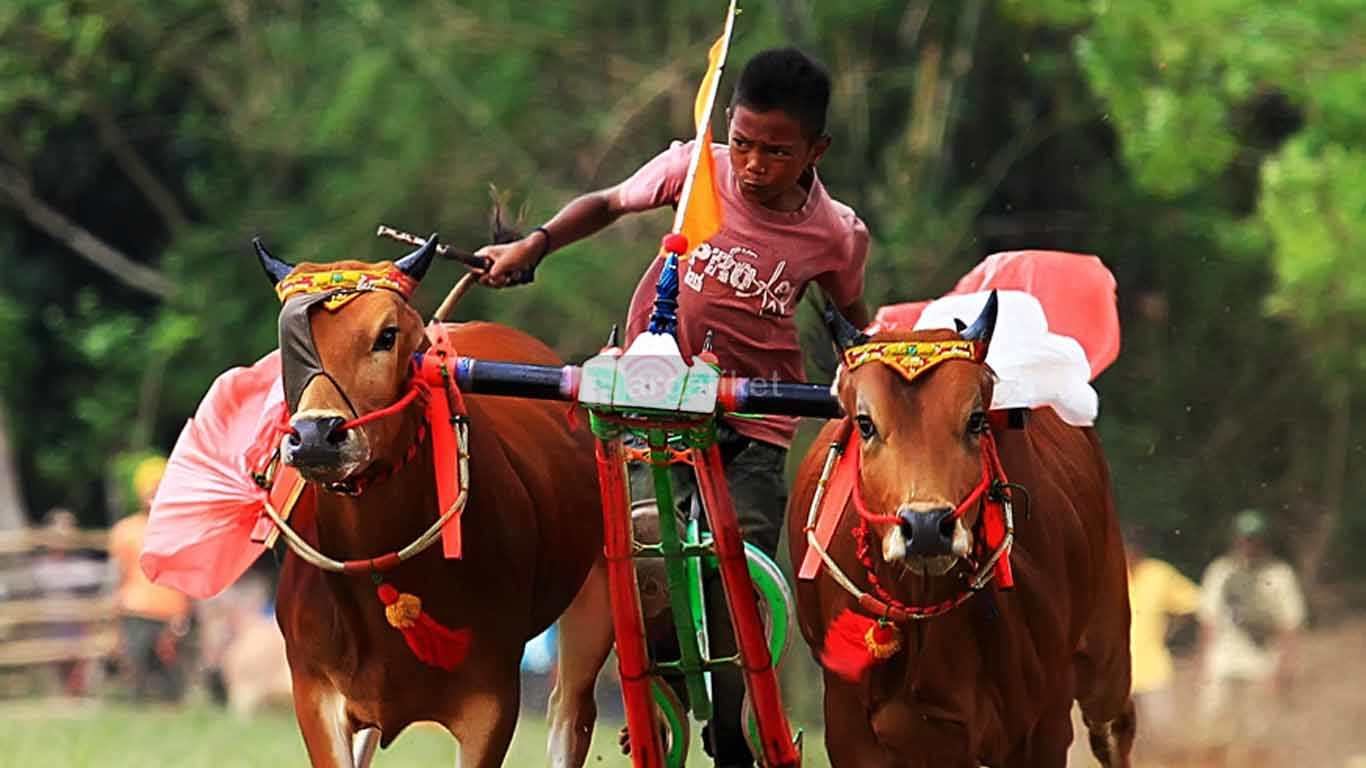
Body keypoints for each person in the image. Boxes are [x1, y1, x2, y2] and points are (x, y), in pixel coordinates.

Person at [478, 47, 870, 767]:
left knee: (736, 581)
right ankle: (656, 690)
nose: (752, 165)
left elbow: (852, 322)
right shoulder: (697, 170)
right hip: (651, 409)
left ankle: (737, 725)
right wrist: (535, 245)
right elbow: (606, 204)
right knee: (642, 554)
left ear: (816, 151)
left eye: (776, 152)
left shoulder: (836, 234)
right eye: (742, 143)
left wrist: (872, 377)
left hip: (752, 427)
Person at [1196, 508, 1306, 767]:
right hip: (1223, 655)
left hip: (1262, 656)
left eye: (1254, 538)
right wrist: (1203, 661)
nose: (1248, 544)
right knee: (1212, 720)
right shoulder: (1220, 571)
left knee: (1259, 728)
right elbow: (1208, 620)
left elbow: (1290, 625)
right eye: (1244, 538)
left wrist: (1285, 667)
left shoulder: (1279, 575)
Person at [109, 455, 193, 703]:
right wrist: (114, 612)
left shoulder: (181, 528)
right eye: (150, 489)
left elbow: (187, 573)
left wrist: (184, 613)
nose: (154, 494)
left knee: (173, 680)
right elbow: (117, 575)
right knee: (136, 672)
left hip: (172, 612)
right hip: (136, 611)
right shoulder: (125, 530)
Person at [1124, 529, 1201, 761]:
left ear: (1139, 550)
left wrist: (1171, 633)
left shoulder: (1159, 574)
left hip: (1153, 669)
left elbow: (1193, 603)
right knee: (1121, 736)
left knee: (1161, 732)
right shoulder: (1106, 575)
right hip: (1117, 673)